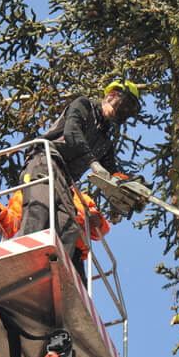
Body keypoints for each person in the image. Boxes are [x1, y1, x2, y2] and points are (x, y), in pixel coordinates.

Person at [19, 80, 141, 270]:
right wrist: (92, 162)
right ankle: (23, 257)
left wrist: (123, 195)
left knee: (68, 226)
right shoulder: (84, 106)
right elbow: (72, 132)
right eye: (124, 104)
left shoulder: (105, 139)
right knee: (40, 207)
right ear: (112, 95)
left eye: (129, 109)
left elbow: (111, 173)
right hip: (44, 161)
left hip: (65, 181)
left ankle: (54, 272)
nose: (123, 110)